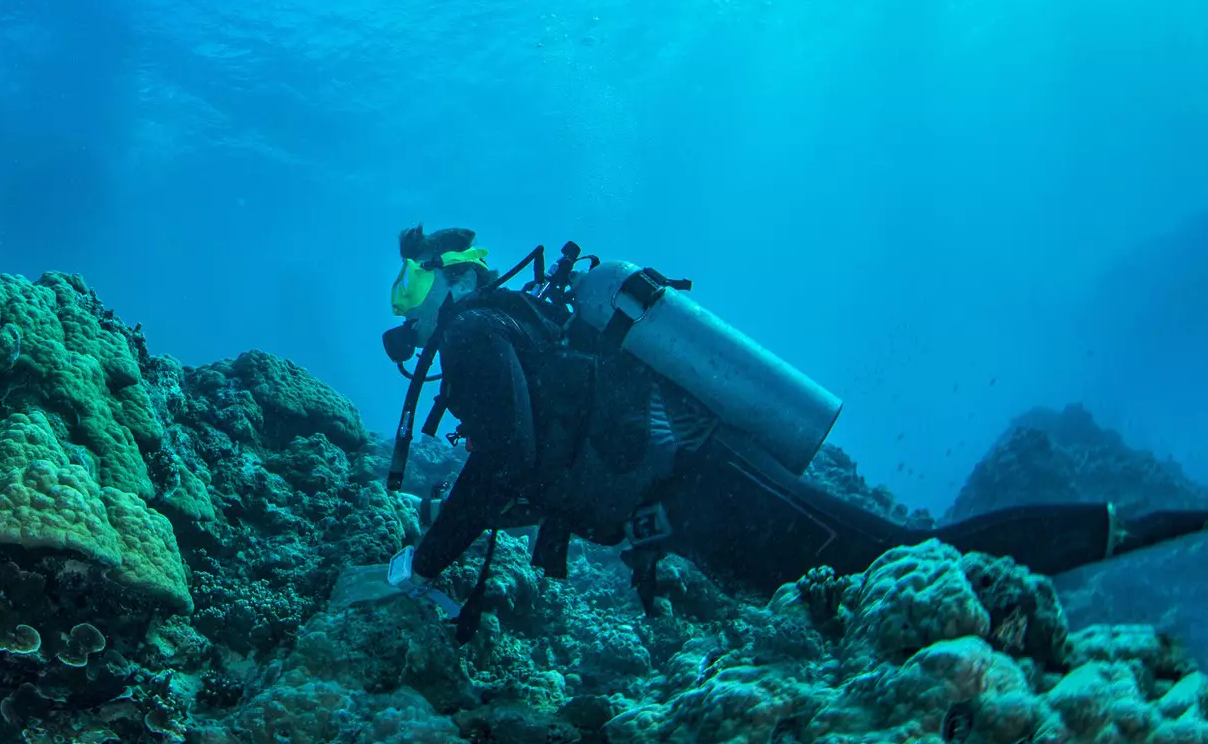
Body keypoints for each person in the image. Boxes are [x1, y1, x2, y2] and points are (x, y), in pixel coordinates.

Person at [371, 225, 1208, 629]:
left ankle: (1137, 524)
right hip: (691, 503)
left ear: (451, 281)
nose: (406, 307)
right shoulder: (515, 329)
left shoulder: (479, 336)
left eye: (409, 286)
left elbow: (509, 460)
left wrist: (423, 559)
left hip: (712, 487)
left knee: (899, 563)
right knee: (853, 600)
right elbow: (545, 459)